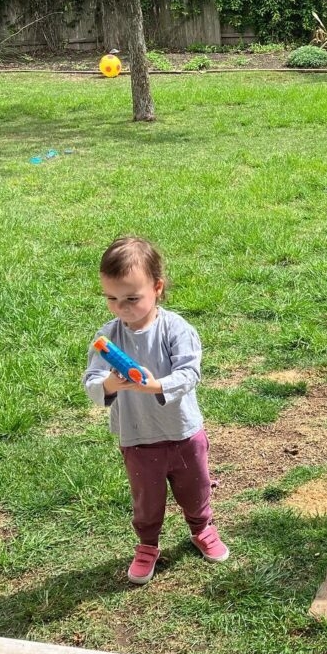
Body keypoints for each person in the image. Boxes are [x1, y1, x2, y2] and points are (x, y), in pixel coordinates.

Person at [84, 236, 229, 584]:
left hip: (182, 432)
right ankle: (147, 543)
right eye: (112, 299)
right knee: (146, 499)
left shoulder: (175, 329)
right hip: (137, 436)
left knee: (195, 488)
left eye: (132, 298)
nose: (122, 308)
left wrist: (156, 385)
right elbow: (92, 379)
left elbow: (190, 372)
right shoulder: (108, 337)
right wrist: (108, 385)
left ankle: (201, 526)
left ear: (157, 288)